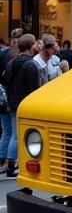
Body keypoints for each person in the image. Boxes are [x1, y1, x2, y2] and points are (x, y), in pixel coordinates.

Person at [3, 34, 41, 178]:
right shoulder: (31, 64)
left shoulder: (12, 62)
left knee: (10, 133)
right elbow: (34, 89)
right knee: (17, 135)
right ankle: (12, 165)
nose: (38, 46)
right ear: (31, 47)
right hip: (24, 103)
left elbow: (6, 81)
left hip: (12, 100)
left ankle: (6, 162)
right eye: (36, 44)